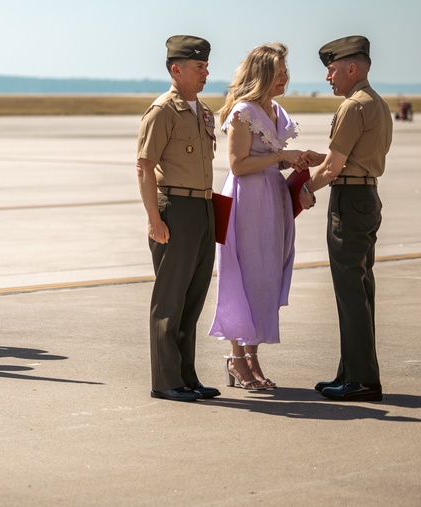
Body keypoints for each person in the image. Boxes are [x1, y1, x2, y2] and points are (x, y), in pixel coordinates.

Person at [207, 43, 309, 390]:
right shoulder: (243, 111)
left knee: (266, 276)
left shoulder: (276, 110)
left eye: (286, 71)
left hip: (272, 199)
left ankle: (252, 356)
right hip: (246, 198)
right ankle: (237, 357)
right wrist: (280, 156)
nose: (286, 77)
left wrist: (293, 162)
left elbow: (271, 157)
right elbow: (237, 164)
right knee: (245, 274)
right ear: (263, 74)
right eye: (280, 71)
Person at [300, 35, 392, 402]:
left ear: (351, 68)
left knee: (350, 291)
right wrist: (319, 158)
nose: (328, 77)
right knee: (360, 288)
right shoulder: (377, 103)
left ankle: (362, 380)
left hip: (349, 199)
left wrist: (307, 189)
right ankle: (352, 372)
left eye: (332, 69)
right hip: (365, 195)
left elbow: (336, 166)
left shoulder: (353, 107)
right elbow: (348, 157)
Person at [136, 35, 220, 402]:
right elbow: (144, 167)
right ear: (176, 69)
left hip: (203, 209)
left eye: (205, 66)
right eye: (198, 67)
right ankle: (165, 380)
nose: (205, 72)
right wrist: (154, 220)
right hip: (175, 210)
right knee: (169, 301)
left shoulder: (202, 111)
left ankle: (187, 376)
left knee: (193, 299)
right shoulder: (162, 111)